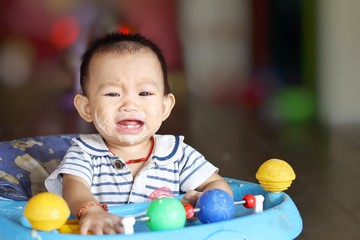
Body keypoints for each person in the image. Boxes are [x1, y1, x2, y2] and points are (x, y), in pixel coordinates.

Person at [45, 32, 233, 235]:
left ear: (164, 106)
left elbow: (216, 183)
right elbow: (74, 186)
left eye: (144, 93)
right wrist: (91, 210)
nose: (129, 104)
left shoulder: (177, 154)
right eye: (112, 93)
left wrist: (205, 201)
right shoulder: (85, 152)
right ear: (86, 108)